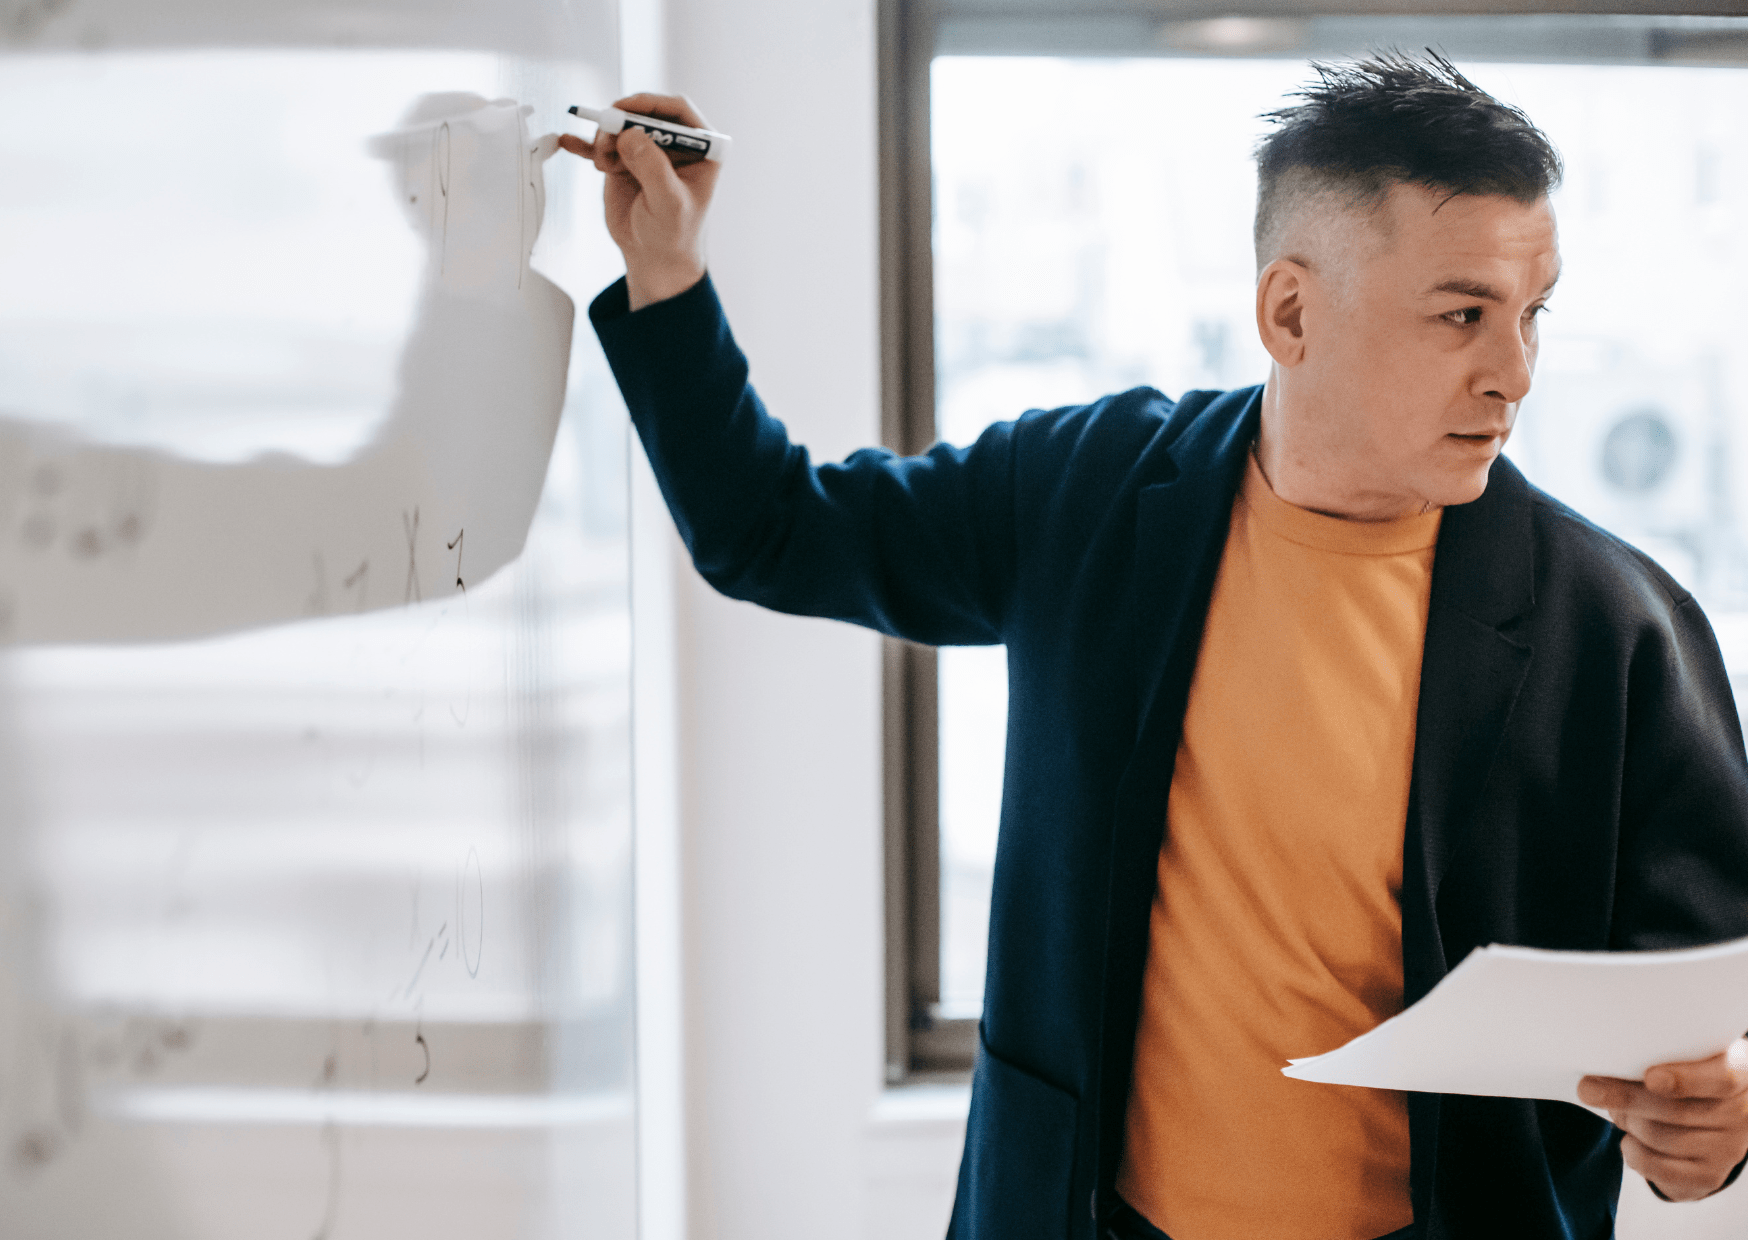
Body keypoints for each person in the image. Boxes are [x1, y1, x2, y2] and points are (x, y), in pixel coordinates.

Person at [563, 53, 1748, 1239]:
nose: (1515, 374)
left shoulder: (1616, 628)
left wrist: (1713, 1128)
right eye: (1461, 316)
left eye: (1531, 313)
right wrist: (665, 268)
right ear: (1289, 312)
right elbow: (771, 530)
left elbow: (1708, 1017)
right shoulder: (1084, 493)